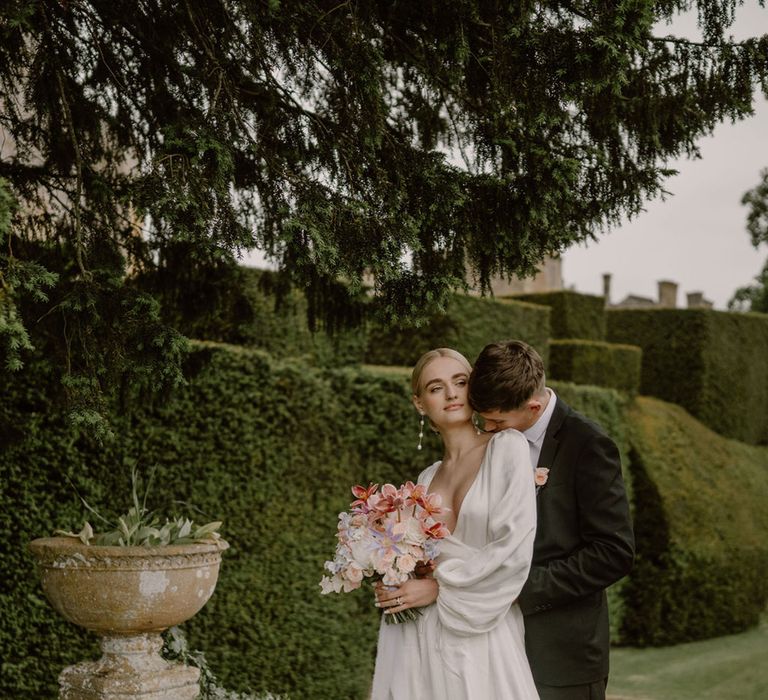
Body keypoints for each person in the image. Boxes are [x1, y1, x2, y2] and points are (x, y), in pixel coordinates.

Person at [468, 340, 635, 700]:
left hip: (564, 658)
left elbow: (613, 551)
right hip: (492, 648)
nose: (487, 428)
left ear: (533, 406)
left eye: (496, 421)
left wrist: (518, 588)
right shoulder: (490, 442)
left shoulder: (589, 445)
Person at [371, 348, 540, 700]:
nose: (451, 394)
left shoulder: (508, 448)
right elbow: (421, 561)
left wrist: (439, 589)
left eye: (459, 382)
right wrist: (393, 579)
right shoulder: (426, 479)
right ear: (420, 404)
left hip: (484, 632)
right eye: (436, 387)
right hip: (421, 638)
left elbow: (513, 552)